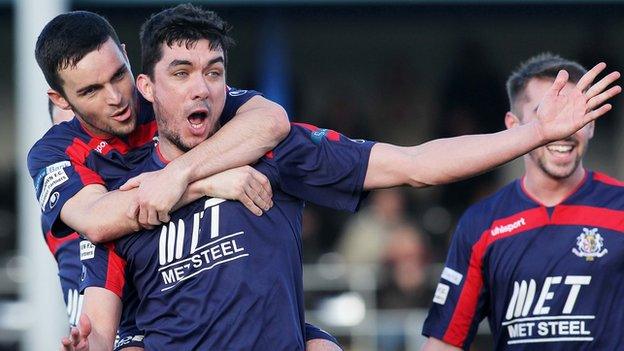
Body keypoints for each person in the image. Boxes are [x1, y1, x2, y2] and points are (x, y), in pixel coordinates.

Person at [67, 5, 619, 350]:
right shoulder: (121, 184)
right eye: (181, 73)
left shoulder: (273, 149)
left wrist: (531, 133)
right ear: (146, 86)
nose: (201, 88)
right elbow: (103, 311)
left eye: (214, 72)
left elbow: (416, 164)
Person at [31, 9, 341, 351]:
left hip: (186, 297)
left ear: (125, 54)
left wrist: (180, 173)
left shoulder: (164, 99)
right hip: (112, 314)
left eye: (119, 75)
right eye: (91, 91)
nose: (116, 98)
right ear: (61, 100)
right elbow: (98, 221)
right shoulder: (54, 152)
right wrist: (203, 182)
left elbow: (269, 120)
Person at [421, 54, 624, 350]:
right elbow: (444, 343)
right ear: (514, 126)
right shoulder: (481, 223)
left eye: (574, 114)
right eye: (548, 114)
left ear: (591, 123)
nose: (564, 129)